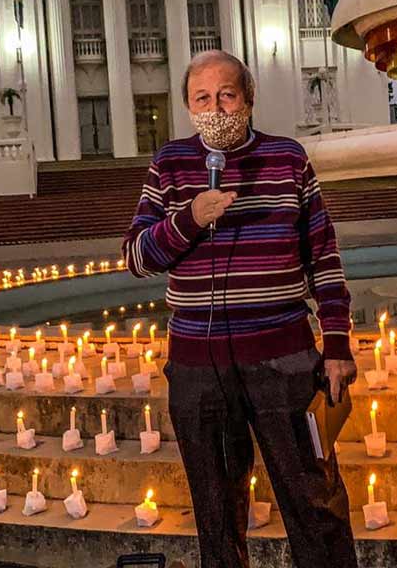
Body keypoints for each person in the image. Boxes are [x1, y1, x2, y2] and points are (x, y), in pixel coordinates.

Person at [121, 50, 359, 568]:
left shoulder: (288, 158)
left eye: (226, 95)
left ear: (248, 100)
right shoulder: (170, 164)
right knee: (216, 507)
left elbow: (323, 255)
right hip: (198, 368)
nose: (216, 108)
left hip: (284, 360)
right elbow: (137, 256)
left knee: (313, 497)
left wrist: (337, 344)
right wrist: (188, 219)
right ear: (188, 107)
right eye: (202, 98)